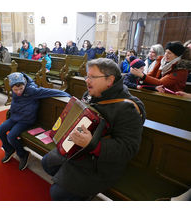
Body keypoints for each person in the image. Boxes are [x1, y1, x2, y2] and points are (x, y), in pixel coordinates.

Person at [42, 58, 146, 201]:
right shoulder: (90, 95)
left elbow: (128, 148)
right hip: (78, 149)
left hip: (100, 163)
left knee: (57, 193)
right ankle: (67, 179)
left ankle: (82, 193)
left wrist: (93, 144)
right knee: (46, 163)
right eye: (87, 76)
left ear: (110, 80)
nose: (87, 80)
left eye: (92, 77)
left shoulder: (128, 109)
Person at [0, 72, 70, 171]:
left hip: (26, 120)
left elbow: (51, 92)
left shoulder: (31, 90)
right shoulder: (15, 88)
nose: (18, 92)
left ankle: (23, 154)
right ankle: (9, 149)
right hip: (15, 117)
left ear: (24, 85)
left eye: (21, 89)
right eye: (15, 90)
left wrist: (68, 96)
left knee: (11, 136)